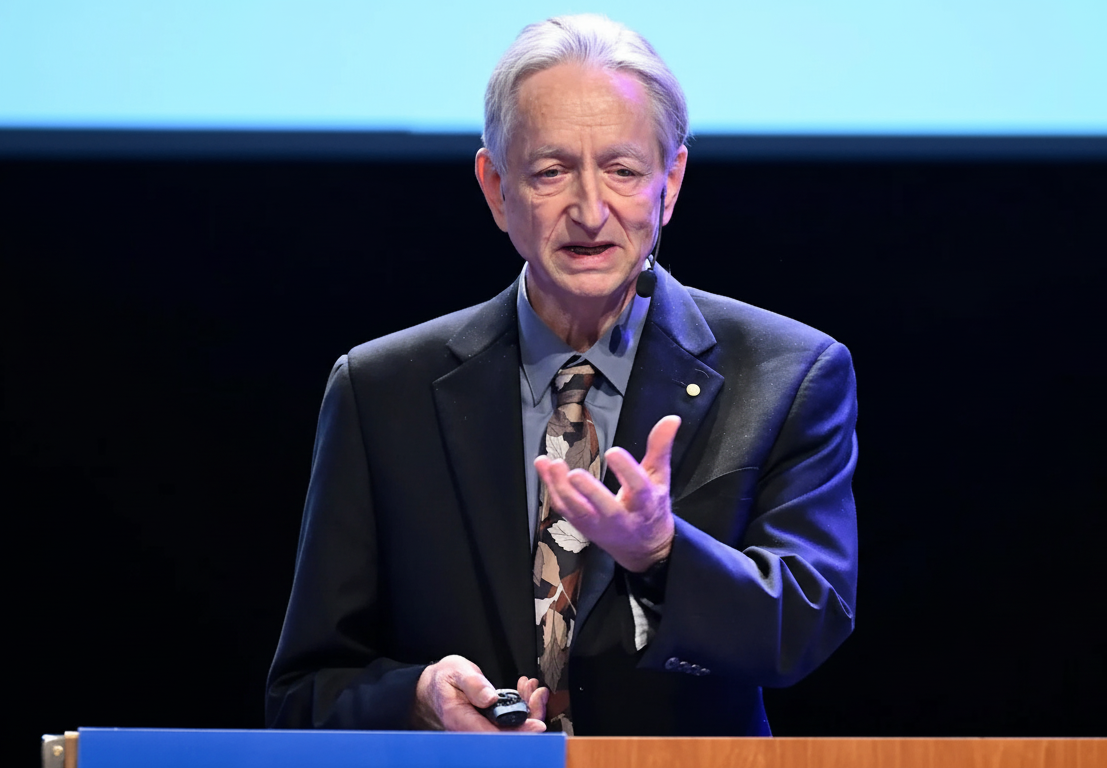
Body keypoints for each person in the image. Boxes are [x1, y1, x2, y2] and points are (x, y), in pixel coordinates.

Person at [266, 13, 858, 736]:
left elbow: (804, 625)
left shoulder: (787, 373)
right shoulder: (381, 390)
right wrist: (419, 699)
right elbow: (304, 692)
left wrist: (662, 552)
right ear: (495, 186)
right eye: (551, 171)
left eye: (622, 169)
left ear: (669, 182)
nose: (588, 209)